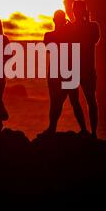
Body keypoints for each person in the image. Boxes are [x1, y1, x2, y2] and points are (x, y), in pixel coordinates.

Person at [38, 10, 88, 138]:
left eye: (60, 19)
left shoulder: (67, 33)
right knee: (57, 102)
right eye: (58, 19)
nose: (58, 21)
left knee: (73, 101)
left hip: (68, 70)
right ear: (55, 21)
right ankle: (53, 128)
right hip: (57, 71)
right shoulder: (49, 35)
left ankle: (82, 129)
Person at [70, 0, 100, 138]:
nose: (77, 12)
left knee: (91, 100)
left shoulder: (93, 26)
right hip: (73, 69)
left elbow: (94, 39)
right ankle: (83, 129)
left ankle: (93, 132)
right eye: (75, 9)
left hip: (88, 69)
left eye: (79, 9)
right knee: (74, 100)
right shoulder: (70, 27)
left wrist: (87, 21)